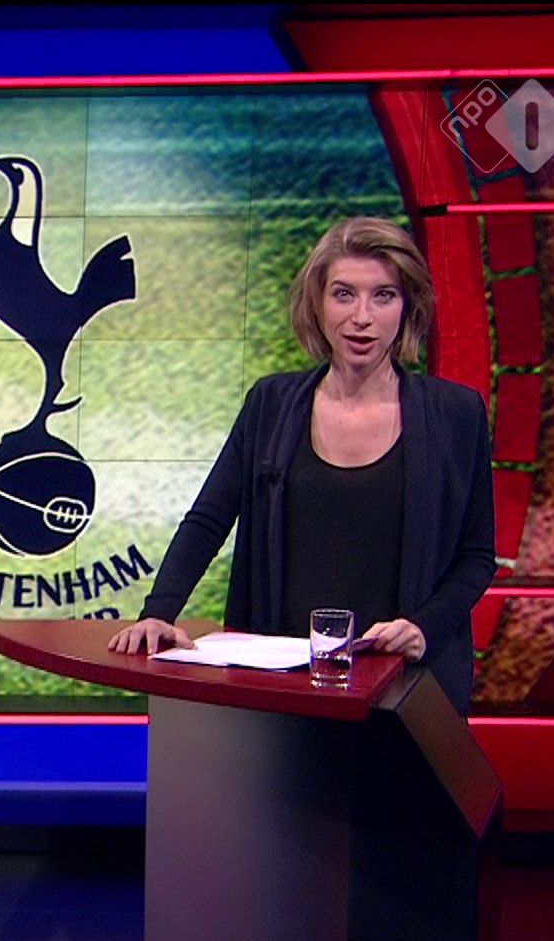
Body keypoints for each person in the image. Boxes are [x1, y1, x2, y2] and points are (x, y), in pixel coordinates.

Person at [108, 217, 496, 713]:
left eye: (383, 296)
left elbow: (476, 555)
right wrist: (159, 612)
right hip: (282, 689)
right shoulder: (270, 405)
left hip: (404, 691)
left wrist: (424, 627)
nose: (362, 317)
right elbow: (208, 519)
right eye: (343, 294)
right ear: (316, 302)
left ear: (408, 307)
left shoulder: (455, 415)